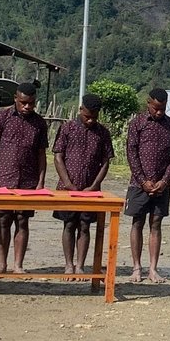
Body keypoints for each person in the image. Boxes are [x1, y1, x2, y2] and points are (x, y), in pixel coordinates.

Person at [0, 82, 48, 273]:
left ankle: (18, 265)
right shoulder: (1, 118)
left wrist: (40, 182)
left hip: (28, 180)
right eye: (23, 103)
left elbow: (41, 154)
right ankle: (1, 264)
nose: (27, 106)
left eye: (31, 103)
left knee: (22, 220)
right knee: (4, 219)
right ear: (15, 99)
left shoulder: (39, 123)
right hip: (4, 177)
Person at [53, 94, 114, 273]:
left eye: (94, 117)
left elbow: (106, 162)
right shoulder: (67, 128)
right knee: (69, 224)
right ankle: (68, 264)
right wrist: (68, 183)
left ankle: (80, 266)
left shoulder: (102, 133)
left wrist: (95, 185)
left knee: (85, 226)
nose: (90, 120)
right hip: (67, 188)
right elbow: (58, 157)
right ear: (81, 110)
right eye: (87, 116)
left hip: (90, 188)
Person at [125, 88, 170, 282]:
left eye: (162, 109)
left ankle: (153, 269)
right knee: (137, 222)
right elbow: (131, 153)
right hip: (139, 183)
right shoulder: (137, 123)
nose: (159, 112)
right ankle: (136, 267)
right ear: (148, 103)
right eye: (156, 108)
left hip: (161, 184)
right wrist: (142, 180)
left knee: (156, 223)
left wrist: (164, 181)